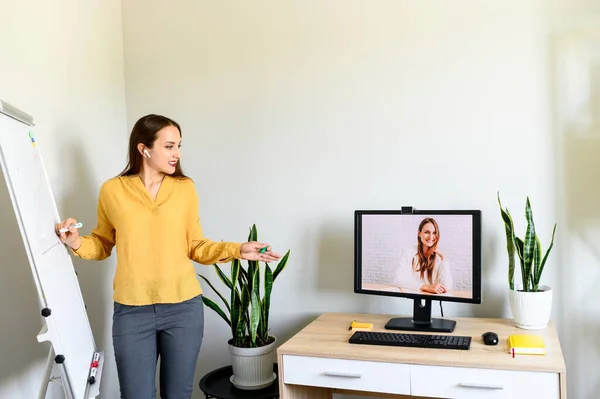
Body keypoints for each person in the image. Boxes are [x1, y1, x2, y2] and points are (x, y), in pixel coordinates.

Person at [55, 114, 281, 399]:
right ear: (143, 148)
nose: (178, 154)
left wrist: (238, 250)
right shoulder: (112, 190)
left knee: (177, 394)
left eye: (179, 146)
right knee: (136, 395)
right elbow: (101, 244)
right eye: (170, 146)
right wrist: (76, 242)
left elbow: (196, 246)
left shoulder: (185, 189)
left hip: (183, 309)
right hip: (131, 310)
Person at [393, 217, 453, 294]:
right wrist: (425, 287)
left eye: (434, 233)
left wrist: (444, 258)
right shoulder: (409, 252)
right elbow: (398, 279)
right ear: (419, 233)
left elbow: (446, 286)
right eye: (427, 232)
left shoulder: (438, 256)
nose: (431, 237)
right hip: (412, 297)